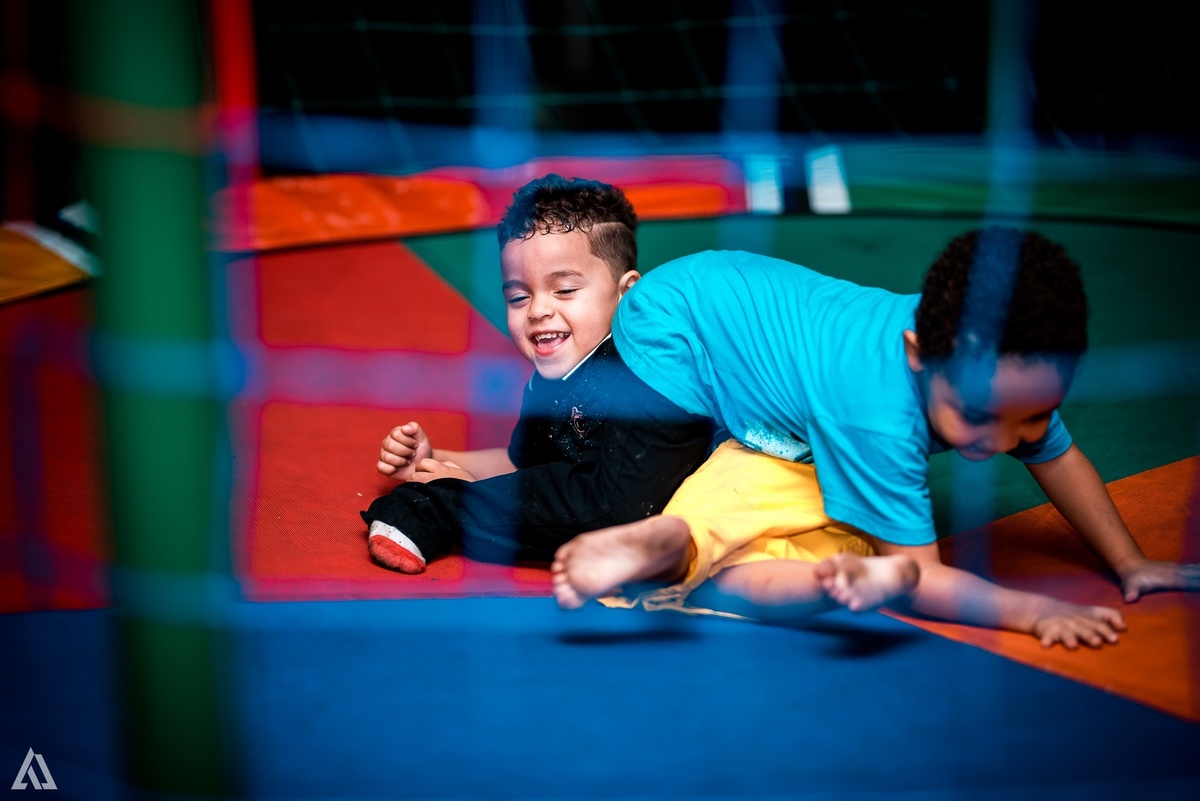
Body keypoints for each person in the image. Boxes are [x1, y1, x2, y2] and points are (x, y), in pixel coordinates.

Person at [551, 227, 1200, 648]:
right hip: (680, 326)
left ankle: (677, 538)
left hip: (774, 419)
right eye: (980, 415)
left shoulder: (994, 370)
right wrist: (1032, 612)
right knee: (713, 554)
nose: (1008, 437)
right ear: (918, 353)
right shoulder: (877, 412)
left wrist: (1130, 561)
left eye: (1030, 416)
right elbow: (917, 577)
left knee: (770, 522)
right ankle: (662, 530)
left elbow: (1059, 454)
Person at [360, 174, 714, 573]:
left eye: (564, 290)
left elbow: (619, 502)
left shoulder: (642, 366)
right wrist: (436, 460)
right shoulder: (551, 378)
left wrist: (467, 491)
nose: (537, 310)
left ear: (626, 293)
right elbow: (523, 464)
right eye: (518, 296)